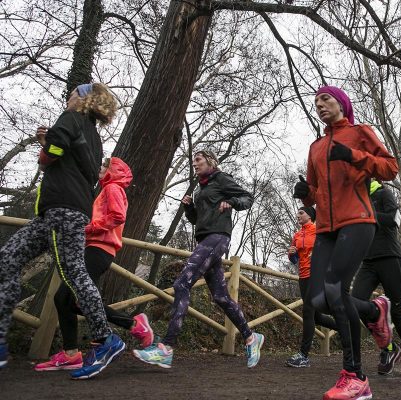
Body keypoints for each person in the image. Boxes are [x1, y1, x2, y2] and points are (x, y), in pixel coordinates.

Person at [0, 83, 124, 379]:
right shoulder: (94, 137)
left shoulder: (70, 117)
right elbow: (71, 159)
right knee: (6, 260)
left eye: (72, 94)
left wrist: (48, 144)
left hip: (64, 211)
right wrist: (52, 144)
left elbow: (52, 155)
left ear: (83, 99)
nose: (68, 98)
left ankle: (105, 340)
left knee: (74, 274)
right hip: (55, 212)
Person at [293, 85, 399, 400]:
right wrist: (305, 193)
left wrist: (353, 155)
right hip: (325, 227)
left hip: (358, 221)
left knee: (336, 291)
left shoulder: (359, 132)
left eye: (325, 99)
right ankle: (373, 310)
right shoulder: (315, 146)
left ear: (341, 103)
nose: (320, 104)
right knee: (317, 300)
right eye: (316, 102)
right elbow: (315, 190)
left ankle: (356, 377)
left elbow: (390, 168)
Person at [133, 150, 264, 368]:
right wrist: (189, 207)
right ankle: (251, 337)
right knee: (221, 297)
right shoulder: (200, 189)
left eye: (198, 160)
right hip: (206, 238)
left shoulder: (221, 179)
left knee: (182, 282)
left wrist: (231, 202)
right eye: (193, 161)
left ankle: (166, 347)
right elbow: (196, 220)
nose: (194, 164)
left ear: (211, 161)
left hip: (218, 236)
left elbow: (247, 197)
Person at [34, 157, 154, 372]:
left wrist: (86, 228)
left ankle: (132, 326)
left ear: (113, 170)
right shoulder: (105, 190)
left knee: (66, 297)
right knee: (70, 301)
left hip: (98, 249)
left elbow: (117, 216)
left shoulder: (113, 188)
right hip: (93, 248)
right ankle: (72, 353)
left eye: (104, 166)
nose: (100, 168)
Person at [351, 180, 401, 382]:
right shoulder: (357, 199)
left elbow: (393, 219)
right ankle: (389, 348)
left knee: (398, 311)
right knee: (354, 304)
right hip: (367, 261)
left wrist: (367, 214)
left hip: (390, 257)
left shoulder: (384, 193)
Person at [285, 206, 337, 368]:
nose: (298, 215)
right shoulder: (297, 235)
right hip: (303, 276)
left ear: (311, 215)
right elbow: (294, 260)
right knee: (317, 317)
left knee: (307, 310)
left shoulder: (318, 230)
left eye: (301, 213)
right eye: (298, 213)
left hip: (318, 275)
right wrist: (291, 253)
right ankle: (345, 327)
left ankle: (304, 355)